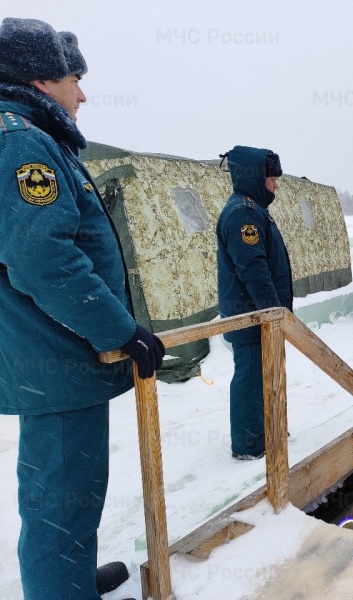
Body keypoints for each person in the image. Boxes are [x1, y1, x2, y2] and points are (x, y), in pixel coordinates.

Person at [0, 18, 164, 599]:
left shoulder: (30, 135)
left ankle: (65, 580)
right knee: (61, 493)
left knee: (67, 491)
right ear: (41, 78)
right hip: (56, 359)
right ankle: (59, 589)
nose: (83, 93)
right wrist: (123, 331)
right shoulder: (21, 141)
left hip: (57, 357)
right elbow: (43, 259)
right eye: (75, 78)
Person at [216, 145, 292, 459]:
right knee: (250, 379)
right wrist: (274, 314)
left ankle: (268, 428)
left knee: (267, 374)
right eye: (271, 177)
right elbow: (254, 269)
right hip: (251, 318)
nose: (275, 184)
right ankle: (248, 444)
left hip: (261, 316)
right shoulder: (243, 213)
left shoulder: (253, 209)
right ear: (255, 176)